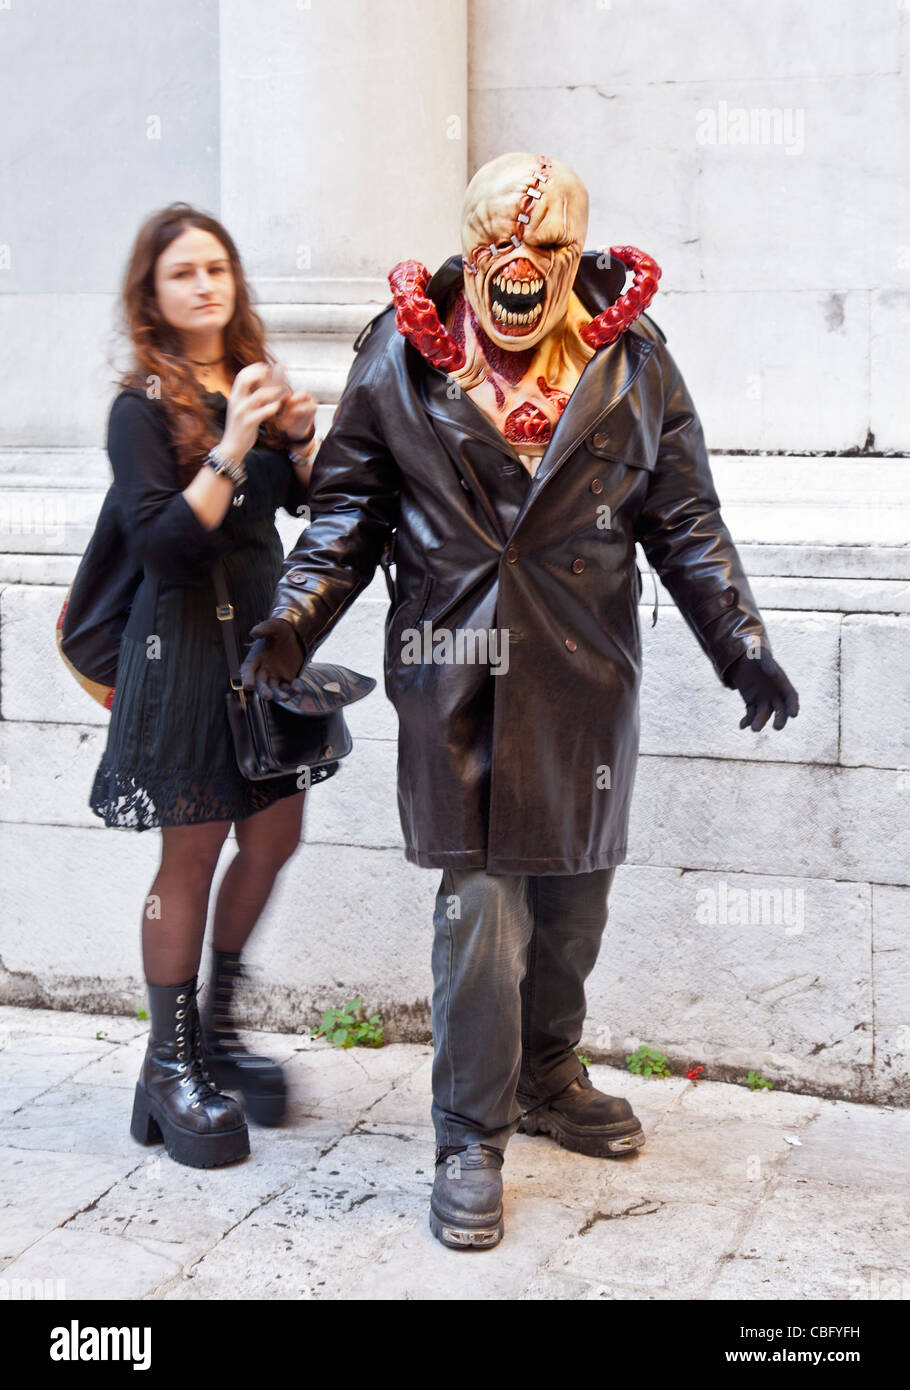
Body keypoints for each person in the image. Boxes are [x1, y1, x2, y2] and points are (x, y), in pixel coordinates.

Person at [241, 153, 800, 1248]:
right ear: (467, 244)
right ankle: (468, 1135)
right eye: (499, 242)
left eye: (544, 246)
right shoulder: (400, 355)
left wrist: (741, 644)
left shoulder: (634, 362)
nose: (520, 266)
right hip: (453, 676)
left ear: (579, 253)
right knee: (482, 913)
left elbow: (684, 518)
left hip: (586, 675)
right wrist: (291, 620)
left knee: (574, 902)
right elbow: (345, 515)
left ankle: (548, 1073)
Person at [89, 202, 326, 1168]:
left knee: (274, 831)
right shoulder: (140, 408)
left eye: (218, 269)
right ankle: (168, 1061)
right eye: (183, 272)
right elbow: (164, 547)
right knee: (191, 850)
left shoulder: (253, 384)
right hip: (182, 650)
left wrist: (303, 441)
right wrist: (233, 441)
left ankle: (219, 1031)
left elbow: (310, 509)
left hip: (264, 648)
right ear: (151, 293)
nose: (205, 285)